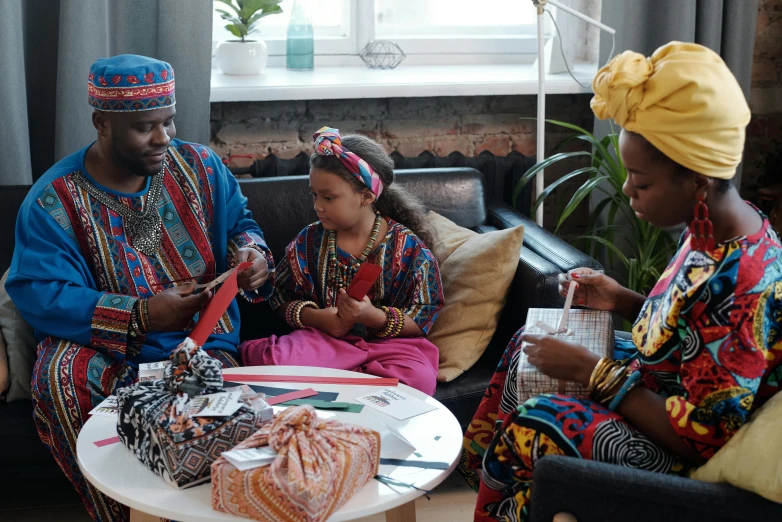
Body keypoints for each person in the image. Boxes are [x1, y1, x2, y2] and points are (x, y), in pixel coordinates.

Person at [460, 42, 782, 521]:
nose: (628, 189)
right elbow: (689, 330)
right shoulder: (713, 228)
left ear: (697, 181)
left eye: (642, 181)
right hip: (660, 385)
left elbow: (699, 438)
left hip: (680, 446)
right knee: (528, 343)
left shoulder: (743, 285)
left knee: (538, 422)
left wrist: (593, 372)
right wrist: (622, 299)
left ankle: (513, 498)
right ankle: (493, 483)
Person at [5, 55, 274, 522]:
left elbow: (243, 225)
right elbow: (40, 292)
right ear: (102, 123)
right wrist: (140, 315)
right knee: (61, 374)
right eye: (145, 127)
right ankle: (122, 517)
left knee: (205, 389)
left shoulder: (201, 167)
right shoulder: (55, 200)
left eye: (168, 122)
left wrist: (253, 256)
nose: (164, 138)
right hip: (107, 350)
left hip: (201, 342)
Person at [240, 127, 444, 395]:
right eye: (314, 194)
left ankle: (341, 382)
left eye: (329, 197)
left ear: (367, 196)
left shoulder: (409, 249)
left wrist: (374, 317)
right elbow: (279, 298)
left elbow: (424, 316)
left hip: (391, 347)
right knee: (271, 361)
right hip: (325, 341)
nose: (318, 206)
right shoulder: (309, 240)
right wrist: (319, 319)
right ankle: (355, 381)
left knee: (418, 379)